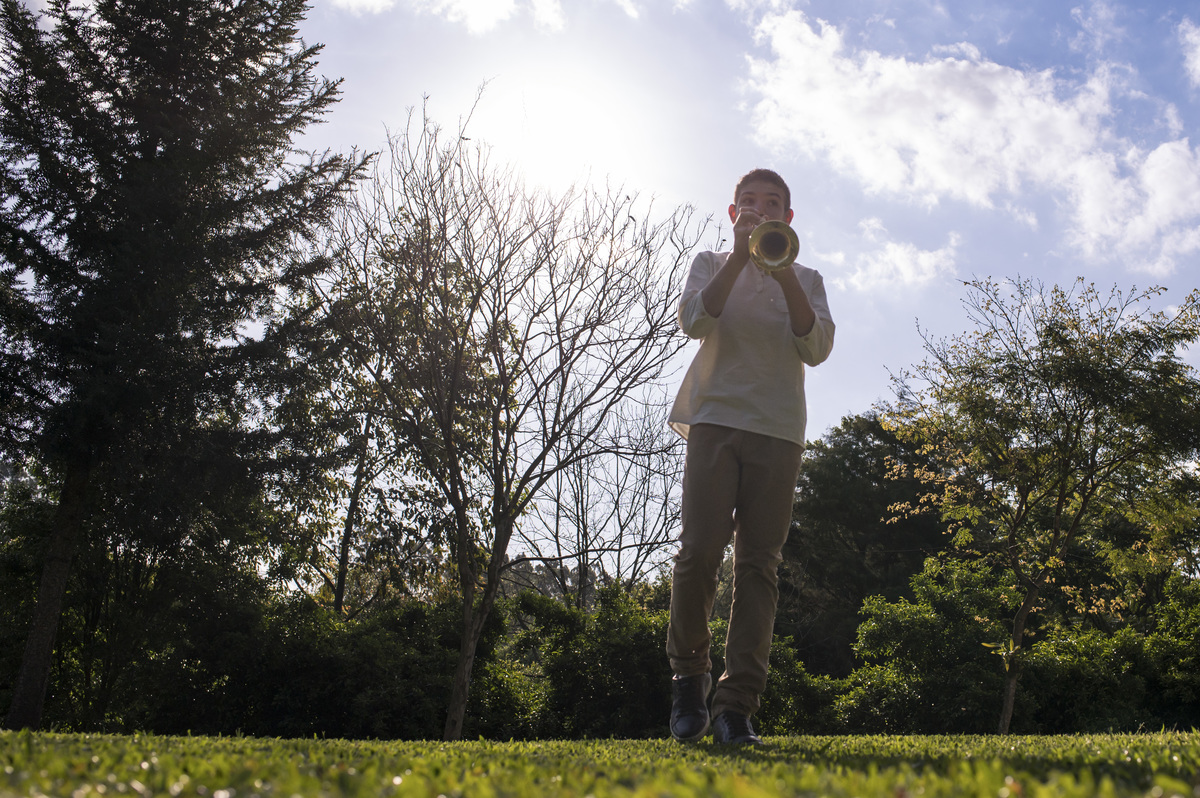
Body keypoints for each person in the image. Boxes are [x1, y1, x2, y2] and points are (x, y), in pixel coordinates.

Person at [666, 168, 835, 745]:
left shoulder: (807, 276)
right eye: (748, 203)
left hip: (779, 430)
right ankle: (689, 679)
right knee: (697, 556)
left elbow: (815, 348)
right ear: (733, 212)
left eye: (771, 204)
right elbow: (694, 321)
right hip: (714, 420)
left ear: (789, 219)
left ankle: (736, 706)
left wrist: (781, 270)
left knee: (759, 567)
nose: (759, 210)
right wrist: (740, 257)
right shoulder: (712, 264)